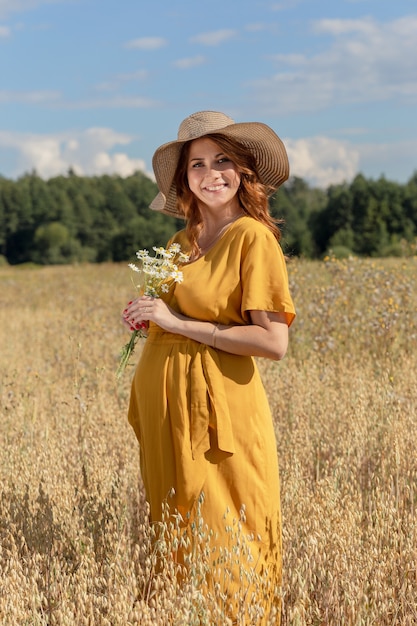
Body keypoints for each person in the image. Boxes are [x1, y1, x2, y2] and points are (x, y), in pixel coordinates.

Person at [123, 111, 295, 624]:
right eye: (197, 164)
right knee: (174, 527)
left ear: (243, 171)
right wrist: (144, 318)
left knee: (226, 528)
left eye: (223, 160)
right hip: (166, 410)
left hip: (220, 411)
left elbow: (272, 341)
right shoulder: (180, 244)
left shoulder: (252, 239)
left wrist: (176, 321)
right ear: (184, 180)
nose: (210, 172)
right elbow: (167, 321)